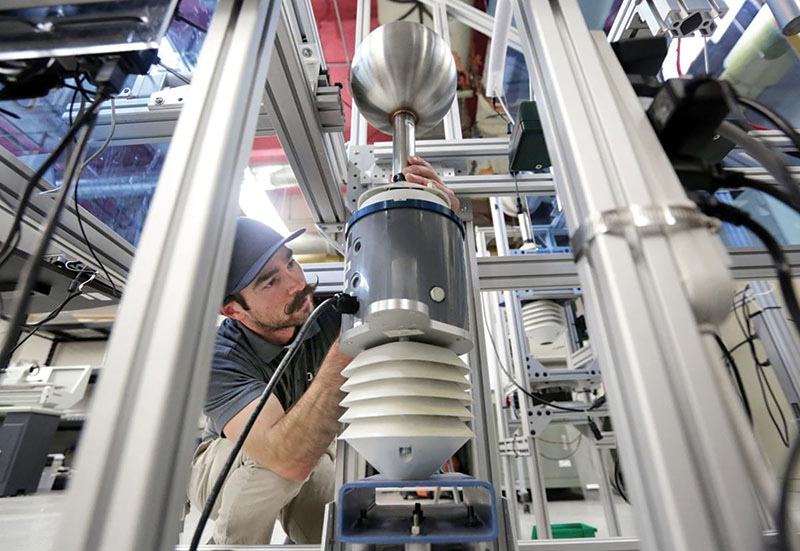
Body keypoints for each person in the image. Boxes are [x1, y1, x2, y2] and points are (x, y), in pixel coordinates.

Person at [186, 156, 458, 545]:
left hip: (311, 456)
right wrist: (351, 342)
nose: (296, 283)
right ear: (232, 310)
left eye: (291, 263)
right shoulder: (217, 357)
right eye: (270, 282)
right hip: (227, 460)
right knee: (274, 468)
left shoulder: (327, 314)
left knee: (332, 499)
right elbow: (282, 455)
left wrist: (440, 221)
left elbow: (420, 299)